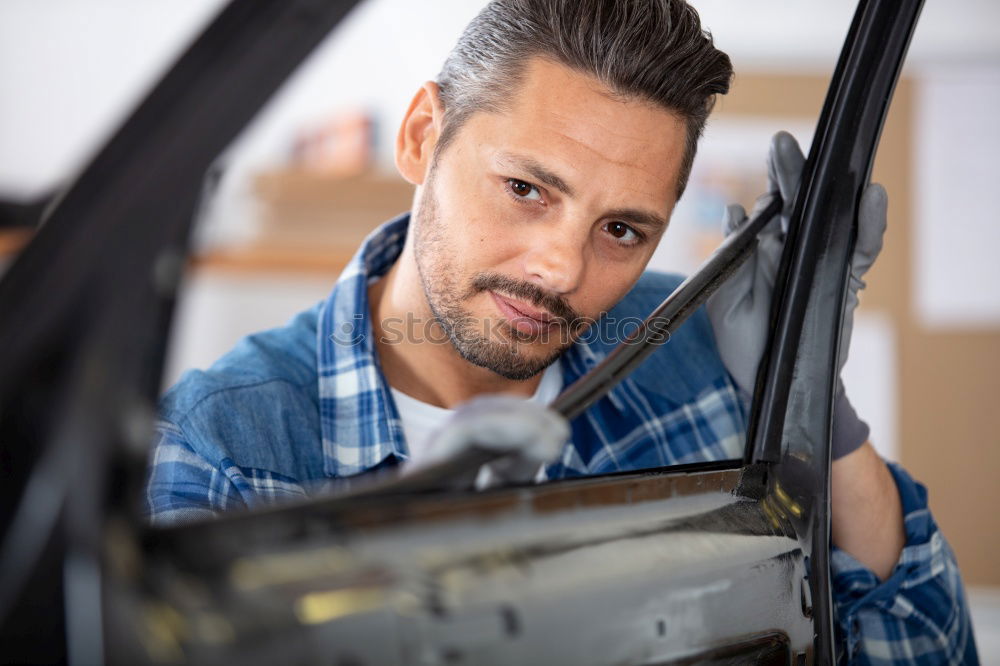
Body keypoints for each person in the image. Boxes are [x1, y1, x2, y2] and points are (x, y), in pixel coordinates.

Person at [144, 0, 978, 662]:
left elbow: (921, 649)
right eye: (526, 189)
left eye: (621, 230)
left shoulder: (699, 349)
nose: (560, 270)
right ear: (421, 137)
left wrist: (813, 404)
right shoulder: (221, 448)